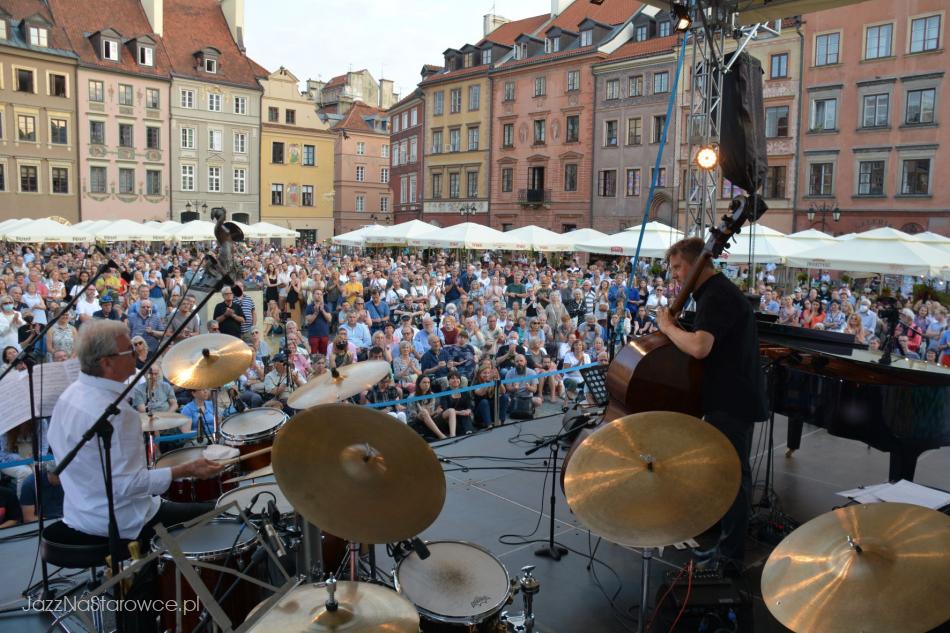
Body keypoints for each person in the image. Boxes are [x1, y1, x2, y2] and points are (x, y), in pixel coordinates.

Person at [47, 320, 222, 631]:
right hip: (121, 522)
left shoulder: (70, 394)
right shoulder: (118, 414)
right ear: (107, 362)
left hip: (80, 512)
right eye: (131, 348)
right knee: (218, 515)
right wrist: (187, 470)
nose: (139, 352)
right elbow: (129, 486)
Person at [655, 237, 766, 572]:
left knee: (731, 476)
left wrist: (667, 327)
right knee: (726, 475)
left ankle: (730, 557)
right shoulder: (714, 294)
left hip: (732, 400)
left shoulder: (717, 295)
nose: (674, 275)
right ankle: (723, 548)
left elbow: (701, 346)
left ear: (698, 263)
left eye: (677, 267)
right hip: (728, 396)